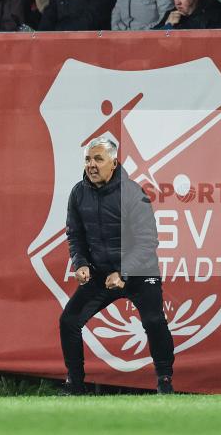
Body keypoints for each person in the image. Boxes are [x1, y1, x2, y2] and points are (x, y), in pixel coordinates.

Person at [60, 137, 175, 395]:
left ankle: (164, 381)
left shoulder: (133, 193)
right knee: (69, 321)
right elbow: (75, 235)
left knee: (154, 320)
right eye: (88, 159)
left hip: (139, 271)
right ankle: (75, 386)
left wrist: (123, 272)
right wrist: (81, 264)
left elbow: (148, 241)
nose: (91, 164)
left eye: (98, 159)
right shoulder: (78, 193)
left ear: (113, 163)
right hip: (102, 274)